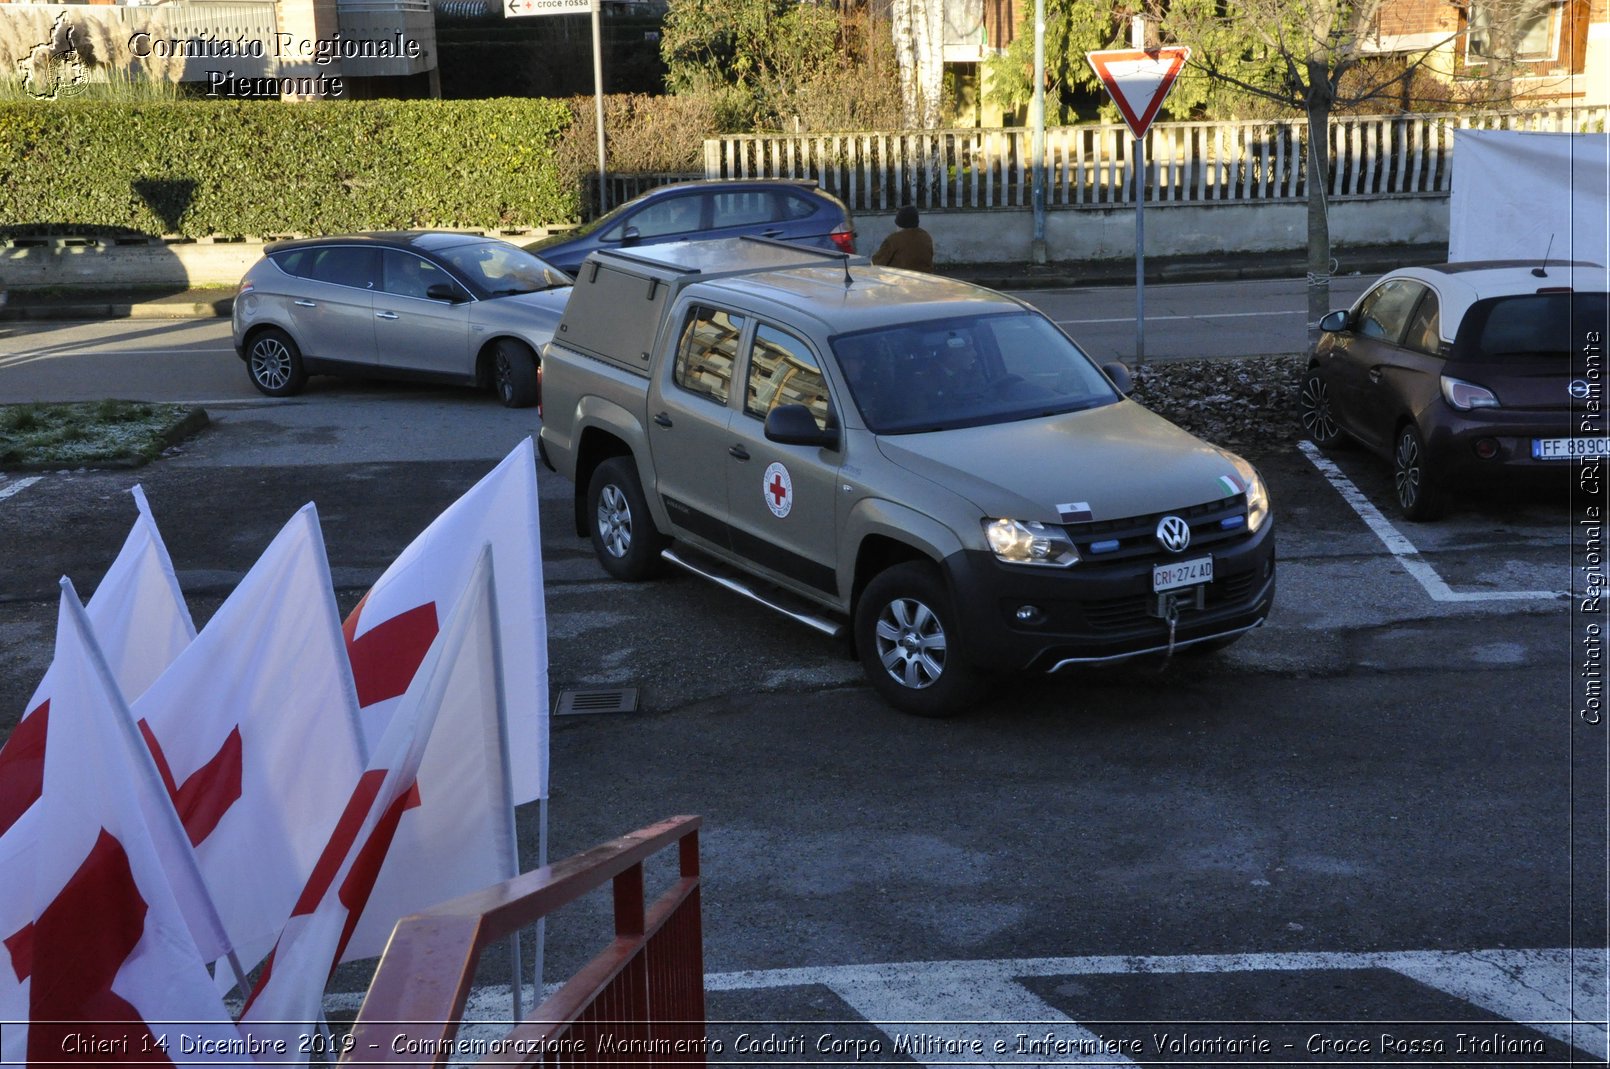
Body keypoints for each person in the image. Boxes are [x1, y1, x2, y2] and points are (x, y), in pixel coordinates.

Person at [871, 204, 934, 271]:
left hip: (899, 279)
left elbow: (877, 263)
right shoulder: (926, 236)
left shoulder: (894, 239)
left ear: (899, 223)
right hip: (925, 279)